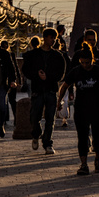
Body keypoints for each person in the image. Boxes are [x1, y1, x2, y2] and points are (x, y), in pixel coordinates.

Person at [56, 47, 99, 175]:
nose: (85, 65)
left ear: (92, 60)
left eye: (87, 62)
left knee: (98, 135)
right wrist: (59, 102)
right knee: (82, 136)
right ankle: (83, 164)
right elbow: (64, 86)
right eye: (82, 62)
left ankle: (98, 161)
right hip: (81, 108)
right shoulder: (76, 71)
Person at [21, 27, 67, 155]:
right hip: (37, 90)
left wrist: (49, 77)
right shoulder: (34, 55)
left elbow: (61, 74)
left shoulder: (57, 56)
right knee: (34, 116)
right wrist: (37, 75)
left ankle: (47, 143)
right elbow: (25, 70)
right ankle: (36, 134)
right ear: (45, 38)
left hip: (51, 90)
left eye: (54, 38)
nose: (53, 40)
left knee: (50, 118)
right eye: (51, 38)